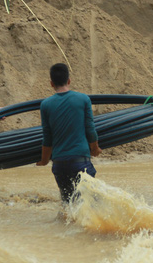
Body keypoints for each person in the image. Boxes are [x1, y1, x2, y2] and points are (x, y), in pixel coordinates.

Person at [37, 63, 101, 203]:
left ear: (51, 83)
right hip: (80, 162)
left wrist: (44, 160)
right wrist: (95, 148)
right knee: (91, 204)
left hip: (59, 165)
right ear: (69, 80)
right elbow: (90, 128)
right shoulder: (83, 99)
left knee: (68, 205)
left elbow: (47, 137)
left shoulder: (46, 105)